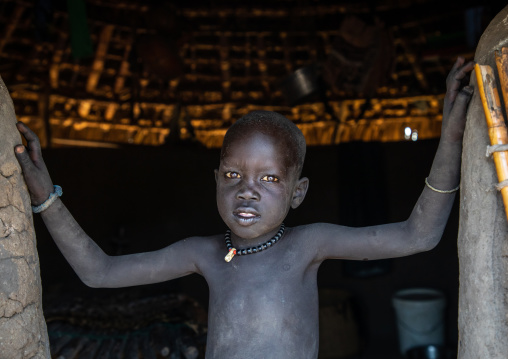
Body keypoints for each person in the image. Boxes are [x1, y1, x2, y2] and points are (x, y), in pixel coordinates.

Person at [14, 57, 474, 359]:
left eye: (270, 179)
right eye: (233, 175)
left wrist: (450, 136)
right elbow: (99, 271)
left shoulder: (308, 244)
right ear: (216, 181)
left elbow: (420, 236)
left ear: (298, 192)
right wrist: (45, 197)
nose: (247, 191)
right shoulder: (204, 253)